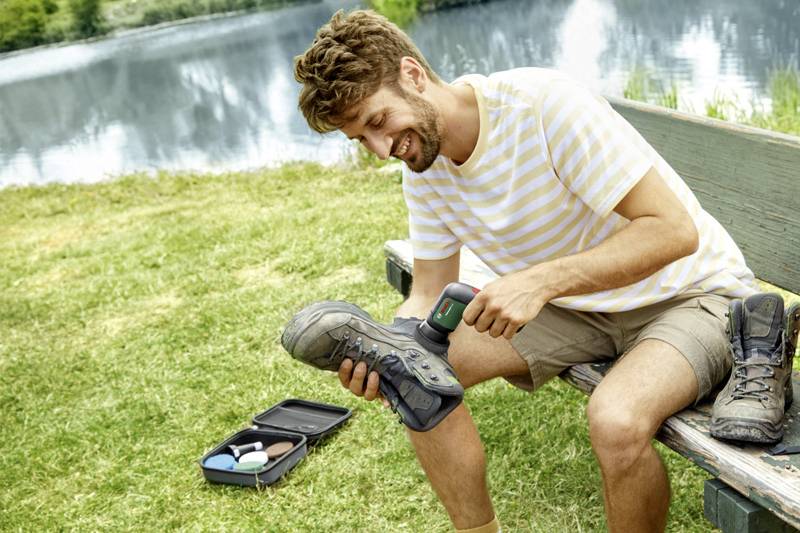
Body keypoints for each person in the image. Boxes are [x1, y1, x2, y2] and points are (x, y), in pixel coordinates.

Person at [293, 9, 757, 533]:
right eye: (361, 140)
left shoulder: (541, 105)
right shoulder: (423, 170)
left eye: (377, 122)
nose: (382, 150)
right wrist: (392, 353)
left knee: (616, 420)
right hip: (581, 307)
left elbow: (674, 231)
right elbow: (425, 292)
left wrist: (539, 280)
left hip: (691, 295)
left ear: (413, 75)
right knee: (414, 374)